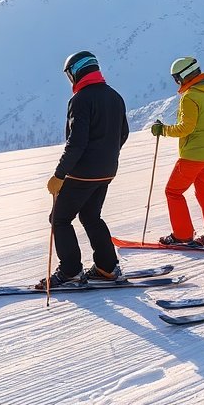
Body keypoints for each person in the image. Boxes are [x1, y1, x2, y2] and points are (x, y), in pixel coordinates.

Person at [37, 50, 130, 288]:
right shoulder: (115, 96)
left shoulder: (80, 100)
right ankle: (107, 267)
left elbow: (76, 143)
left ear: (77, 72)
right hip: (107, 170)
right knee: (90, 216)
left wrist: (59, 175)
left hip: (83, 172)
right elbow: (123, 134)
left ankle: (70, 271)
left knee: (59, 218)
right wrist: (106, 155)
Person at [150, 56, 204, 248]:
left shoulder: (190, 96)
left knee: (173, 192)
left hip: (194, 154)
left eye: (176, 78)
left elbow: (186, 128)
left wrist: (163, 130)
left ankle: (182, 235)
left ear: (182, 76)